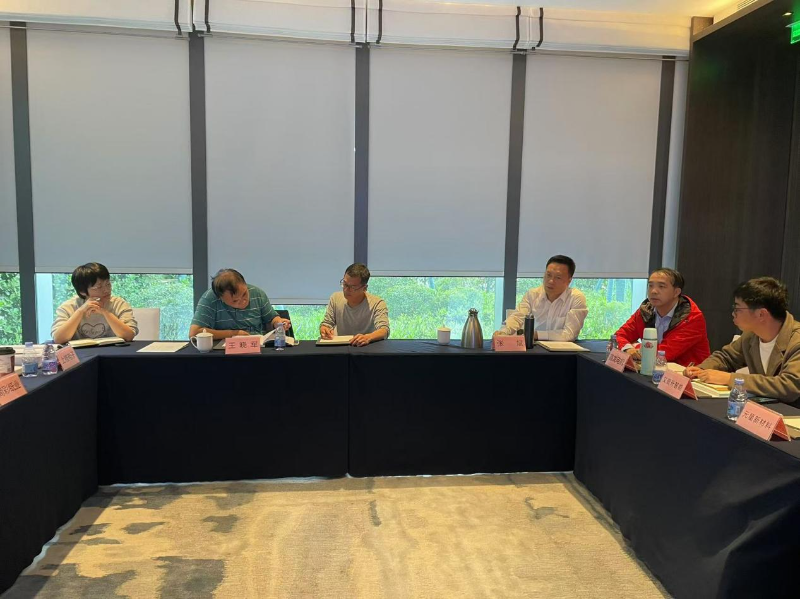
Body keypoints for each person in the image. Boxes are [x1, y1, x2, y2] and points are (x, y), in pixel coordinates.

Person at [686, 277, 800, 406]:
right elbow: (726, 357)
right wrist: (700, 370)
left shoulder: (796, 341)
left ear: (761, 314)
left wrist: (730, 379)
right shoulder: (751, 335)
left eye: (737, 309)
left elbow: (789, 386)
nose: (733, 314)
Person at [615, 267, 710, 366]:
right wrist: (628, 348)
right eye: (650, 286)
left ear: (676, 292)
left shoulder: (692, 318)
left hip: (686, 372)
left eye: (661, 286)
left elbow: (664, 354)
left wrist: (634, 345)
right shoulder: (646, 310)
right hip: (653, 369)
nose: (653, 291)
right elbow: (619, 336)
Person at [494, 255, 588, 341]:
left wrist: (535, 335)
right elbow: (517, 317)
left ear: (569, 280)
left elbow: (569, 334)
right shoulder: (532, 294)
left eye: (558, 277)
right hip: (532, 348)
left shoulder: (575, 298)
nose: (551, 281)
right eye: (548, 275)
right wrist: (503, 332)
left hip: (562, 351)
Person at [189, 269, 291, 341]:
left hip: (256, 346)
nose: (243, 301)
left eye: (244, 294)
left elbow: (272, 318)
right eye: (235, 301)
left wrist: (279, 323)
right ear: (221, 298)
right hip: (222, 350)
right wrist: (233, 334)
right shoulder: (210, 299)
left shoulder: (257, 293)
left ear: (245, 284)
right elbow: (194, 333)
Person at [51, 262, 138, 344]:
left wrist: (105, 312)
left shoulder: (118, 304)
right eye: (99, 287)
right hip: (80, 353)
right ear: (82, 291)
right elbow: (59, 339)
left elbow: (128, 336)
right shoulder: (68, 306)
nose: (106, 290)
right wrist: (80, 311)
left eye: (108, 284)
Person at [319, 263, 389, 346]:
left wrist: (368, 337)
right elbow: (327, 324)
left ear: (364, 288)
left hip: (366, 347)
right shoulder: (335, 298)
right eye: (345, 284)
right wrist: (324, 329)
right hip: (340, 347)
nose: (346, 289)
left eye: (353, 287)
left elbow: (384, 330)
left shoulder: (377, 303)